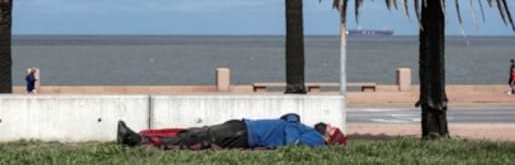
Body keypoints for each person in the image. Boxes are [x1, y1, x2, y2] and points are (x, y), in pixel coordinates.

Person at [116, 113, 346, 149]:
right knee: (194, 131)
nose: (330, 125)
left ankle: (137, 140)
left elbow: (292, 142)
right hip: (243, 125)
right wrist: (293, 118)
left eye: (333, 130)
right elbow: (288, 120)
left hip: (246, 135)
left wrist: (293, 123)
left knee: (197, 139)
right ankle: (141, 135)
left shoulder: (315, 140)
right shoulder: (308, 128)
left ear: (330, 138)